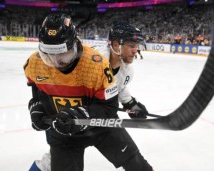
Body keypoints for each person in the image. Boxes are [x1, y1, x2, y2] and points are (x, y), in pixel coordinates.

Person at [25, 14, 152, 171]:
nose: (57, 61)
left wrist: (131, 104)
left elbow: (114, 92)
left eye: (62, 53)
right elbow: (38, 92)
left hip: (100, 125)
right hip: (65, 132)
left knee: (138, 165)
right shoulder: (34, 64)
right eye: (49, 55)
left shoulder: (96, 64)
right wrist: (36, 106)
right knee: (51, 162)